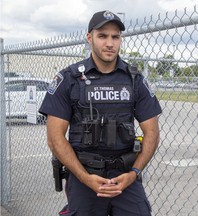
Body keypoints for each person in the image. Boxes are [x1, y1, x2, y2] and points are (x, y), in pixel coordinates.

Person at [39, 10, 162, 216]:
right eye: (102, 36)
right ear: (90, 38)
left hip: (124, 176)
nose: (110, 43)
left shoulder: (135, 80)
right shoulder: (68, 79)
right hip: (84, 175)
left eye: (115, 37)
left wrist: (134, 174)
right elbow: (54, 138)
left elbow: (152, 133)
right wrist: (85, 178)